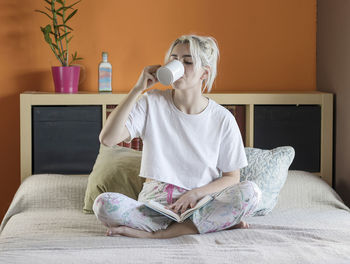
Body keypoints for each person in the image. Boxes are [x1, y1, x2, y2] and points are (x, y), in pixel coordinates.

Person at [93, 34, 262, 239]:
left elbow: (232, 177)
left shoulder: (222, 119)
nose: (178, 65)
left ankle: (160, 235)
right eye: (173, 59)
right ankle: (208, 225)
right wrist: (137, 89)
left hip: (199, 205)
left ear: (204, 74)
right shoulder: (151, 103)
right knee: (103, 204)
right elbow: (107, 139)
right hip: (154, 208)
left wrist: (195, 194)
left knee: (251, 193)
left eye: (188, 61)